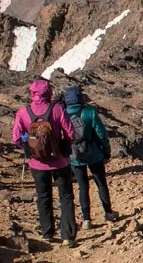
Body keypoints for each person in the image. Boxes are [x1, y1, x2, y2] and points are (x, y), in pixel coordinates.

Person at [12, 79, 77, 246]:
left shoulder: (23, 112)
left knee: (43, 196)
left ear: (32, 93)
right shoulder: (57, 109)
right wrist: (65, 145)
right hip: (61, 162)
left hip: (37, 163)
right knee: (66, 196)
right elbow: (70, 132)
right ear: (49, 92)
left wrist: (29, 144)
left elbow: (16, 138)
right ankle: (68, 235)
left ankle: (47, 233)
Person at [63, 86, 117, 228]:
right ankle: (109, 213)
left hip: (74, 156)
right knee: (101, 183)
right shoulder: (89, 112)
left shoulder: (63, 114)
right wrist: (106, 150)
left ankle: (87, 219)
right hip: (94, 154)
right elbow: (101, 134)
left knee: (83, 186)